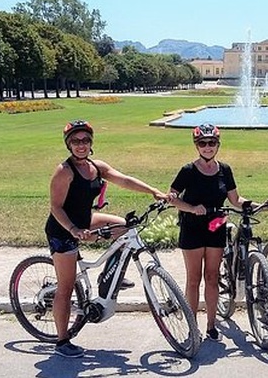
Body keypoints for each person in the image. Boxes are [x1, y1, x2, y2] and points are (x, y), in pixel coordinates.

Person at [45, 120, 167, 358]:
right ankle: (62, 341)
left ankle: (108, 277)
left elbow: (124, 179)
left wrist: (152, 190)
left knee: (123, 227)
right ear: (68, 144)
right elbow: (56, 208)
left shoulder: (95, 166)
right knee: (66, 287)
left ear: (91, 143)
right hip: (62, 230)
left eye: (86, 140)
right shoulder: (64, 171)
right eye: (76, 141)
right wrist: (72, 229)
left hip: (86, 220)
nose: (81, 145)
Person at [167, 123, 249, 342]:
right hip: (192, 226)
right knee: (193, 278)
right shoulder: (188, 170)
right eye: (202, 143)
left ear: (217, 144)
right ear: (196, 145)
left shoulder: (225, 169)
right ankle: (192, 324)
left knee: (212, 277)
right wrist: (192, 208)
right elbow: (172, 197)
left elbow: (235, 200)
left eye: (211, 143)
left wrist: (253, 204)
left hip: (216, 224)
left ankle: (211, 324)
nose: (207, 147)